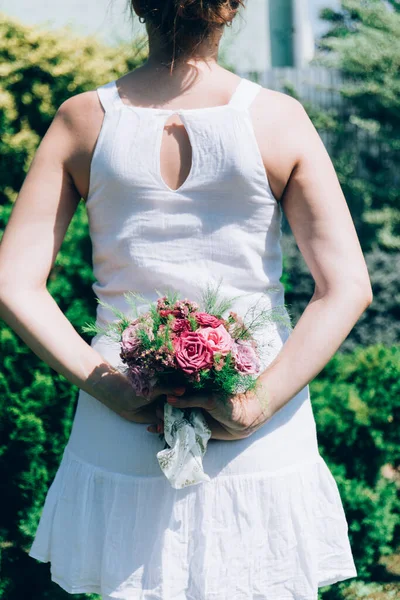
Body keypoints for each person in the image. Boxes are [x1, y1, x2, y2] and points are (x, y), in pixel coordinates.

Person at [0, 0, 373, 598]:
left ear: (137, 6)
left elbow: (12, 283)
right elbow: (347, 286)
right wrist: (253, 404)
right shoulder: (279, 119)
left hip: (125, 417)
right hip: (255, 418)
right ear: (231, 9)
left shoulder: (81, 120)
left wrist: (109, 388)